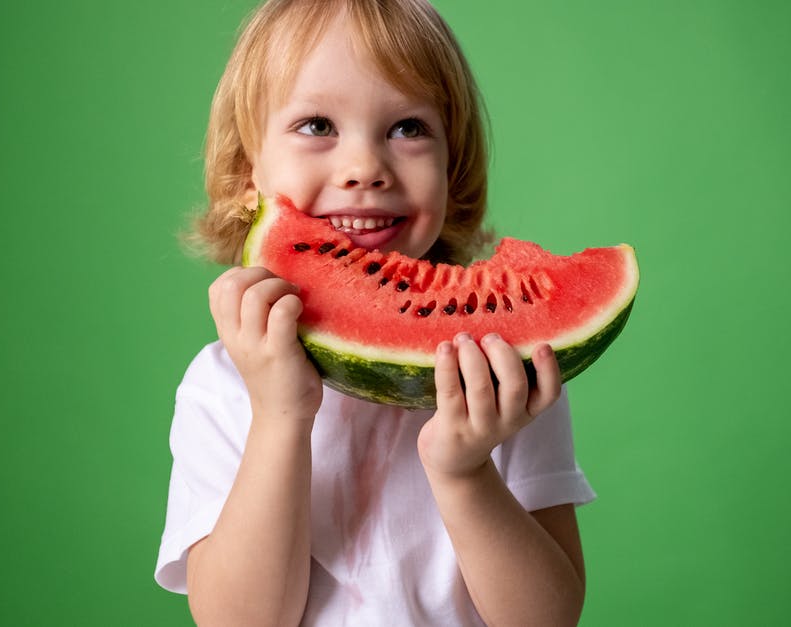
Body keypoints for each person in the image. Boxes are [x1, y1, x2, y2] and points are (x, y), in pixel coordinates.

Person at [153, 1, 595, 625]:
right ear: (247, 171)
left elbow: (547, 619)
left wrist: (465, 473)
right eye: (315, 125)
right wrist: (280, 415)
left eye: (408, 128)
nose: (365, 169)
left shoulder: (500, 373)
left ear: (453, 167)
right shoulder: (222, 387)